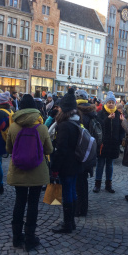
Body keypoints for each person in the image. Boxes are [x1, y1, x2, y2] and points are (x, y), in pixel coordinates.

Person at [6, 94, 53, 251]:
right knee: (33, 204)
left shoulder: (13, 126)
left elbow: (9, 149)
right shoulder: (42, 128)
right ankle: (30, 238)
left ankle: (16, 237)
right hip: (37, 172)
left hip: (18, 170)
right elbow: (49, 150)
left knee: (19, 202)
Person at [51, 88, 82, 234]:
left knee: (67, 193)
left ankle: (67, 223)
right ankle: (72, 222)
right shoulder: (77, 122)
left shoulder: (64, 126)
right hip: (75, 163)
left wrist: (54, 168)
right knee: (72, 191)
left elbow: (61, 150)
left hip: (66, 165)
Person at [93, 91, 123, 193]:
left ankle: (108, 184)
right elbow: (98, 126)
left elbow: (121, 130)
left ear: (115, 104)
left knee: (110, 165)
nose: (110, 104)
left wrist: (119, 140)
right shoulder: (101, 114)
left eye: (112, 102)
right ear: (105, 103)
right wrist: (107, 119)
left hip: (113, 144)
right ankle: (97, 184)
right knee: (100, 164)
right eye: (109, 102)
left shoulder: (118, 114)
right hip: (102, 144)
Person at [75, 89, 97, 216]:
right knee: (84, 181)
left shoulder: (77, 113)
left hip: (79, 151)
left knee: (78, 181)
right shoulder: (92, 112)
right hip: (90, 151)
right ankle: (84, 208)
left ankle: (78, 209)